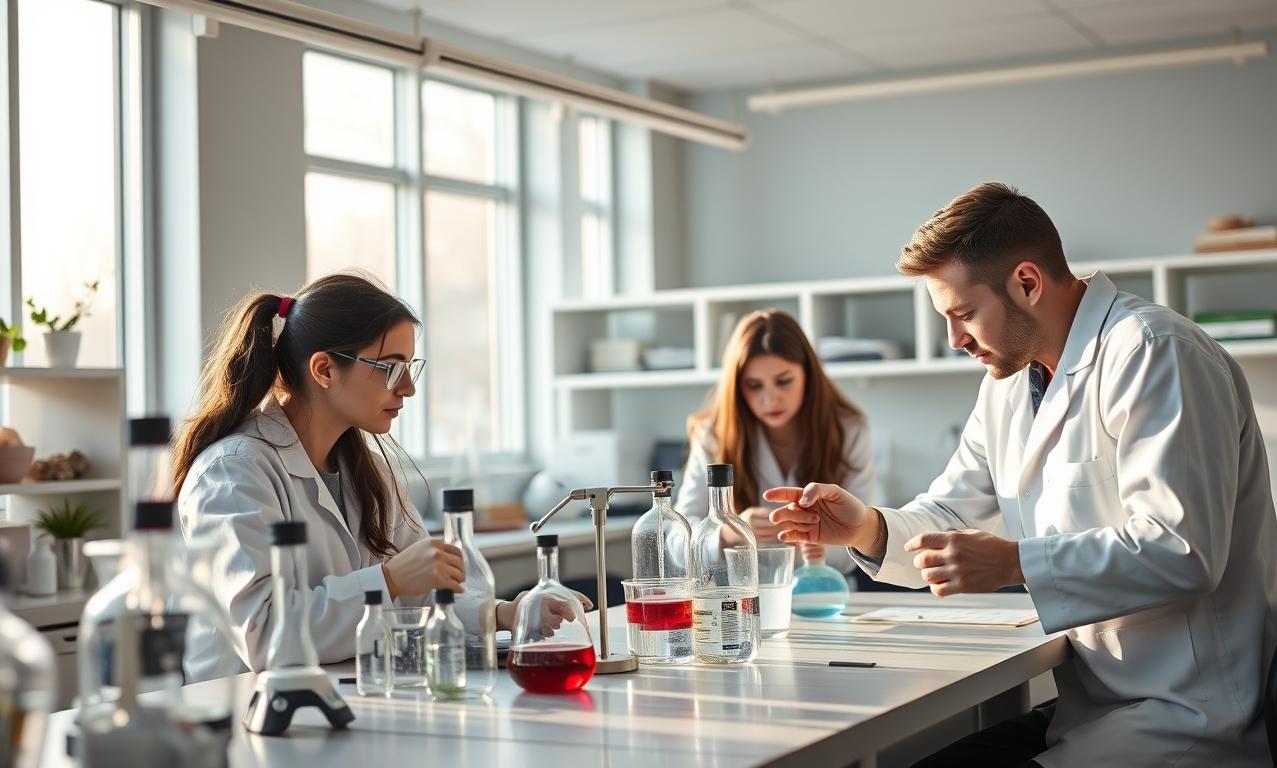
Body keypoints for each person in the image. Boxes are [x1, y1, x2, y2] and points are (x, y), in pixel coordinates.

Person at [766, 183, 1277, 767]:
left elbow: (1181, 551)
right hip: (1099, 706)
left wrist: (1014, 562)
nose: (954, 340)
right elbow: (951, 511)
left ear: (1027, 282)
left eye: (963, 314)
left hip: (1195, 714)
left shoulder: (1154, 351)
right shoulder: (1010, 385)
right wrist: (866, 528)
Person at [174, 273, 587, 682]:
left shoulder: (367, 470)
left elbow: (426, 592)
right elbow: (264, 634)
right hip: (244, 705)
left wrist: (505, 613)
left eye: (409, 367)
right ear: (324, 370)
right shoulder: (232, 472)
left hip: (343, 692)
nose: (407, 388)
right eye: (390, 367)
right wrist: (388, 580)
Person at [677, 309, 874, 574]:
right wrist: (728, 532)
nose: (769, 399)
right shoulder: (713, 435)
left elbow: (862, 540)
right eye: (754, 385)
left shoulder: (848, 430)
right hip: (739, 593)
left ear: (808, 374)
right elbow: (676, 541)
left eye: (783, 381)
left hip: (823, 590)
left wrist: (811, 542)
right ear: (737, 387)